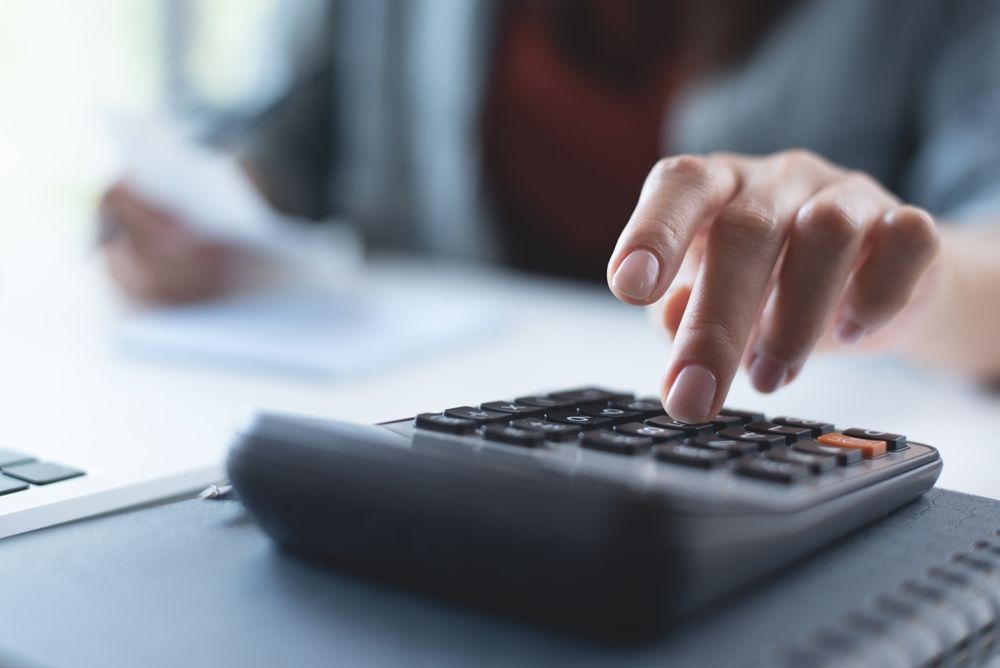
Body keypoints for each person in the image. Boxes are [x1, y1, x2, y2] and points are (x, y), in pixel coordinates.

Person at [99, 0, 1000, 423]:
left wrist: (901, 287)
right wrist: (209, 204)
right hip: (410, 425)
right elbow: (299, 120)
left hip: (772, 444)